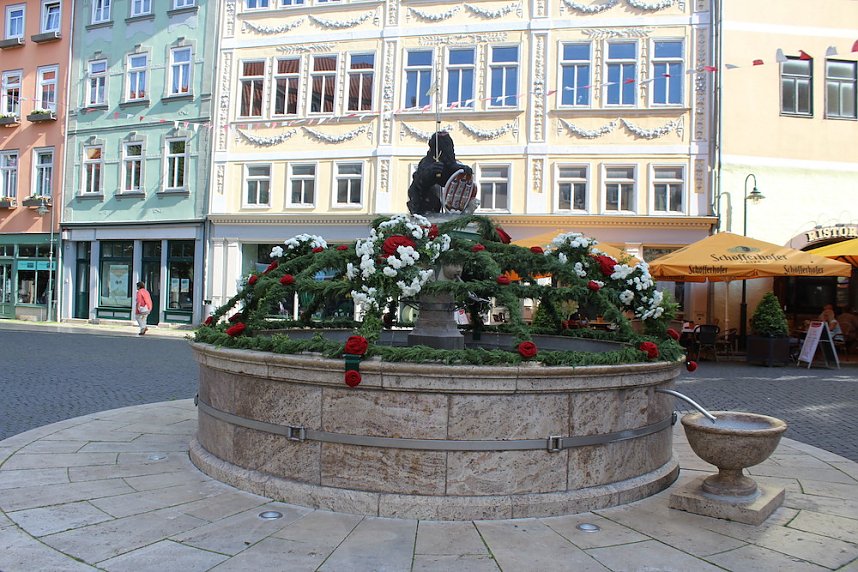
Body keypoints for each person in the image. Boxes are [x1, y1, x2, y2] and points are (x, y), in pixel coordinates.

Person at [406, 132, 473, 215]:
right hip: (422, 200)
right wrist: (431, 171)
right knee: (431, 191)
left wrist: (462, 168)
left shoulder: (448, 159)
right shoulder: (427, 161)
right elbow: (421, 181)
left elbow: (451, 170)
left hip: (441, 202)